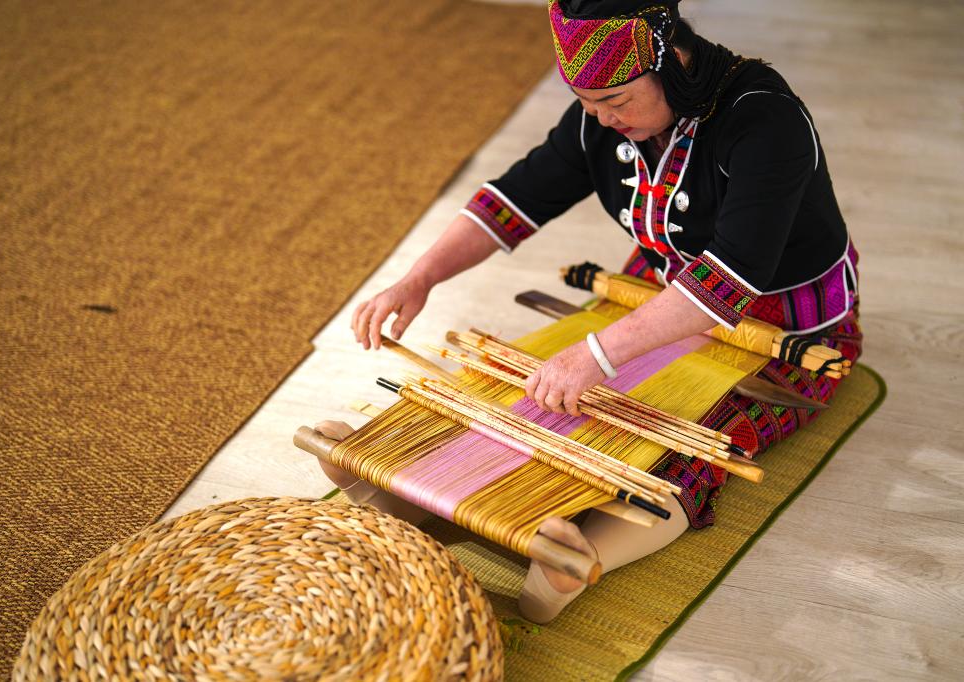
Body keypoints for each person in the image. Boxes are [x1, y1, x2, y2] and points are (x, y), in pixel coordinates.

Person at [323, 0, 863, 623]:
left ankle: (573, 563)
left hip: (788, 328)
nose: (603, 120)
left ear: (672, 62)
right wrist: (420, 277)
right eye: (588, 103)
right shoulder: (605, 115)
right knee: (538, 393)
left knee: (691, 441)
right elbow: (518, 195)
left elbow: (729, 282)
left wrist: (597, 353)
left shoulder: (766, 120)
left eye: (618, 102)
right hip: (662, 291)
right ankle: (408, 490)